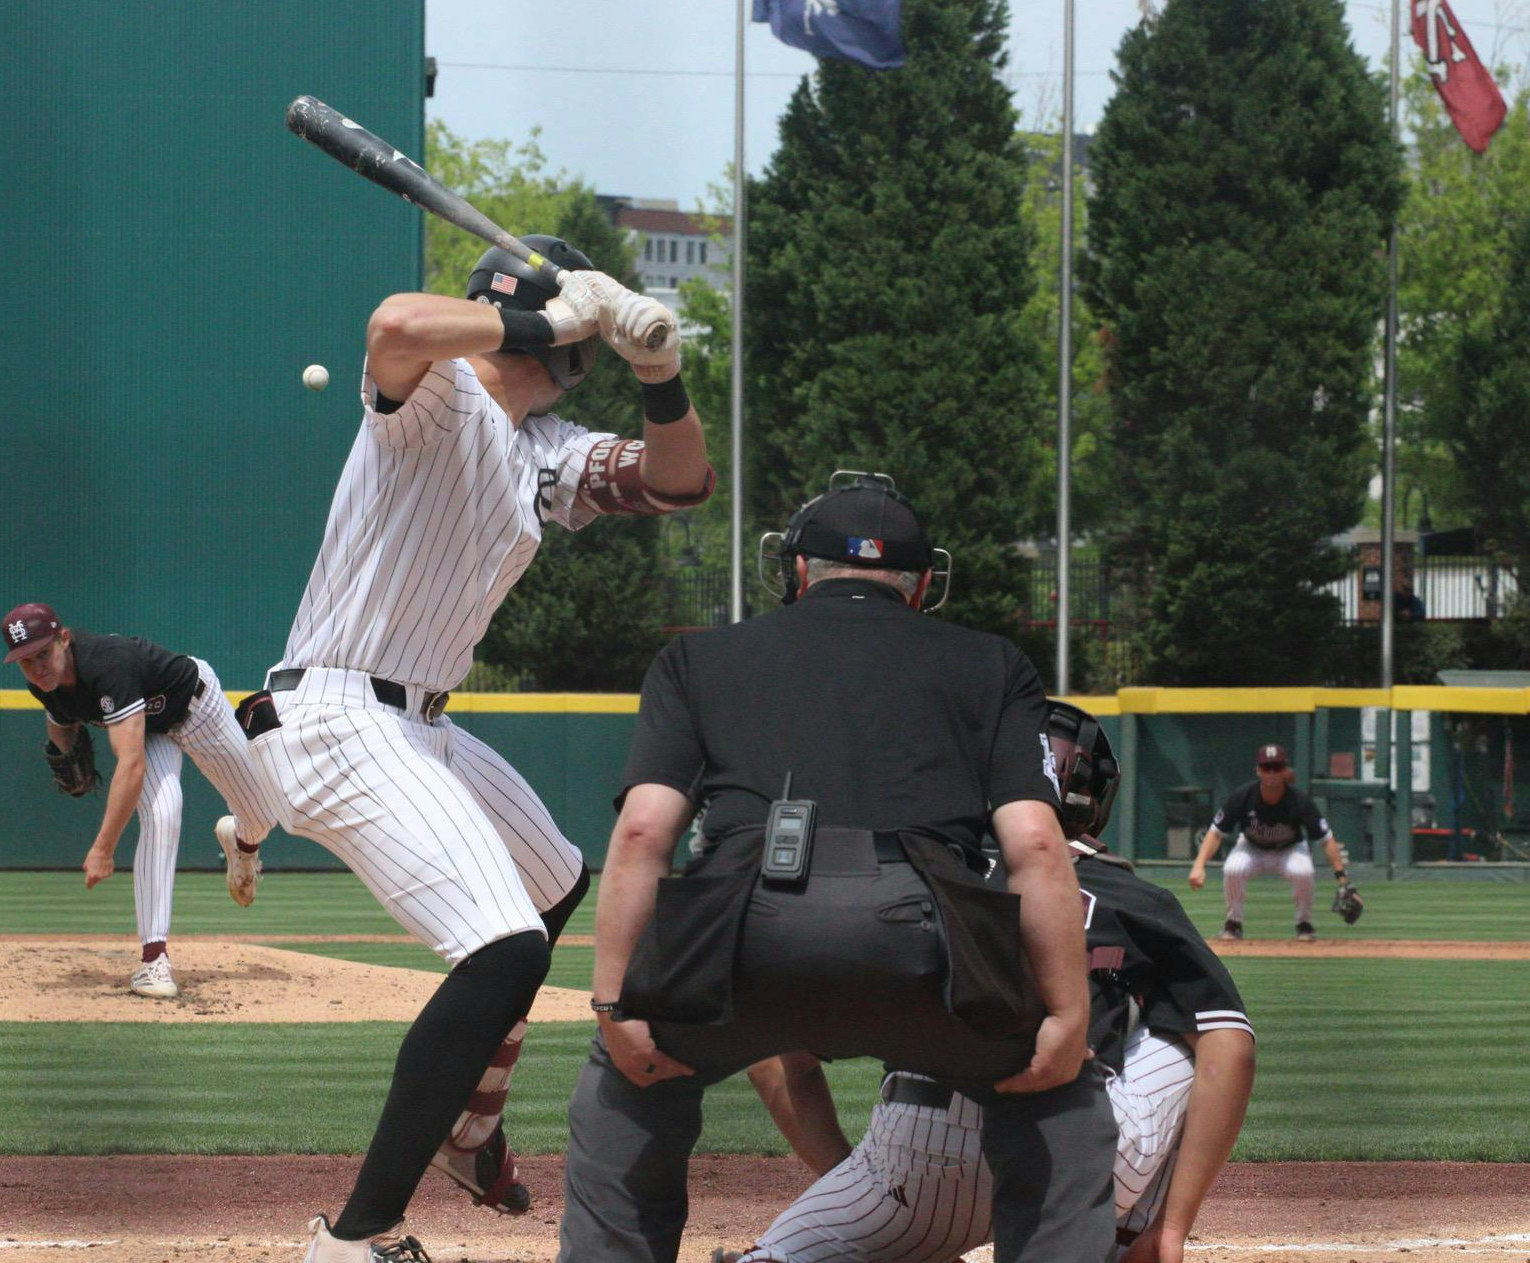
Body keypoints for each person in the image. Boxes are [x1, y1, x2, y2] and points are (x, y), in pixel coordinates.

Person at [233, 235, 713, 1262]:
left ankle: (471, 1120)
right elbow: (398, 325)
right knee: (506, 948)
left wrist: (660, 367)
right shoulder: (437, 389)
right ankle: (357, 1235)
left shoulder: (551, 448)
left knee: (553, 881)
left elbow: (682, 482)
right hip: (336, 712)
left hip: (421, 722)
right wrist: (556, 321)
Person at [557, 475, 1115, 1263]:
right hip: (926, 945)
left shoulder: (697, 658)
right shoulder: (993, 663)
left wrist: (617, 1006)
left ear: (795, 572)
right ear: (924, 583)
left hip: (741, 942)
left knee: (627, 1087)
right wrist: (1064, 1017)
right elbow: (1037, 845)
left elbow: (644, 832)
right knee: (1061, 1100)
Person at [718, 702, 1257, 1263]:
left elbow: (771, 1056)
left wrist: (858, 1183)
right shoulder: (1131, 896)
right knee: (1196, 1027)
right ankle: (1133, 1241)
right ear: (1091, 796)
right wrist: (1173, 1228)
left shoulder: (908, 874)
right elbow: (1232, 1053)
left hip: (917, 1160)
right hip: (1078, 1160)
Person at [1, 602, 268, 998]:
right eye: (25, 661)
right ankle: (153, 960)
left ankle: (242, 843)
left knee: (262, 815)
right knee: (163, 812)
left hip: (197, 707)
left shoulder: (108, 665)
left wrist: (103, 849)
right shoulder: (45, 685)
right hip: (148, 730)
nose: (37, 667)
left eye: (43, 653)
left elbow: (130, 766)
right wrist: (66, 756)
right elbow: (61, 725)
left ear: (64, 638)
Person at [1188, 743, 1351, 941]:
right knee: (1233, 868)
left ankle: (1304, 924)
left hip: (1289, 849)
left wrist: (1343, 878)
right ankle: (1233, 924)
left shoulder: (1299, 800)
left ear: (1285, 771)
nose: (1272, 773)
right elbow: (1215, 833)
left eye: (1277, 767)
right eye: (1267, 767)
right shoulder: (1243, 796)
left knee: (1304, 871)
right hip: (1251, 848)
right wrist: (1198, 866)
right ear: (1258, 770)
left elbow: (1327, 840)